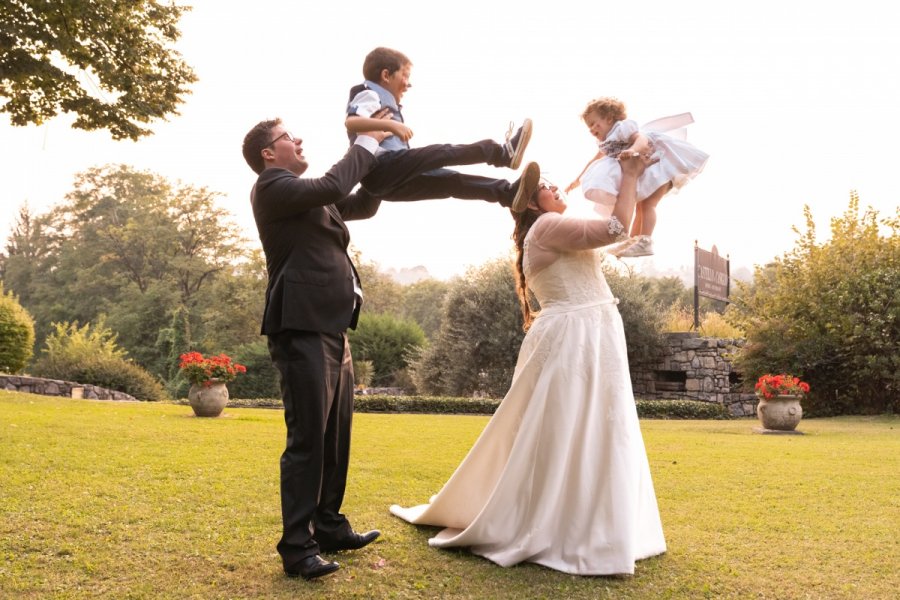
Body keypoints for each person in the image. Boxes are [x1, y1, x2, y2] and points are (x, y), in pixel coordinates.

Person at [390, 156, 667, 576]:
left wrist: (639, 181)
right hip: (575, 336)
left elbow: (619, 235)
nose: (556, 190)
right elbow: (615, 228)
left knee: (599, 423)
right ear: (532, 205)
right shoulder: (547, 227)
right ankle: (564, 526)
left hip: (590, 332)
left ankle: (600, 524)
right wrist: (628, 175)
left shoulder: (551, 227)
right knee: (569, 425)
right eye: (547, 187)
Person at [241, 118, 387, 581]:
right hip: (299, 326)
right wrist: (366, 139)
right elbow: (335, 181)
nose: (298, 140)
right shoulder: (273, 188)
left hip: (332, 327)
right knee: (307, 441)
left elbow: (361, 200)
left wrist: (384, 166)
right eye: (288, 137)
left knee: (335, 438)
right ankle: (296, 548)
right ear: (269, 153)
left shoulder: (311, 197)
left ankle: (328, 526)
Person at [345, 46, 535, 212]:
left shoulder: (385, 102)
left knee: (450, 181)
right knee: (442, 153)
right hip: (382, 167)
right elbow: (352, 121)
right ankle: (501, 154)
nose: (408, 83)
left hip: (389, 183)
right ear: (386, 75)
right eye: (405, 75)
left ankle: (507, 193)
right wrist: (391, 124)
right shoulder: (368, 92)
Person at [566, 96, 709, 257]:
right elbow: (594, 160)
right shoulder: (605, 142)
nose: (591, 129)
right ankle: (632, 242)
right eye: (588, 127)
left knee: (648, 205)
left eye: (593, 123)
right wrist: (578, 179)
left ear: (608, 118)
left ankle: (645, 241)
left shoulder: (622, 128)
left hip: (659, 165)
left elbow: (642, 139)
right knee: (640, 206)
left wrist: (632, 150)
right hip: (646, 172)